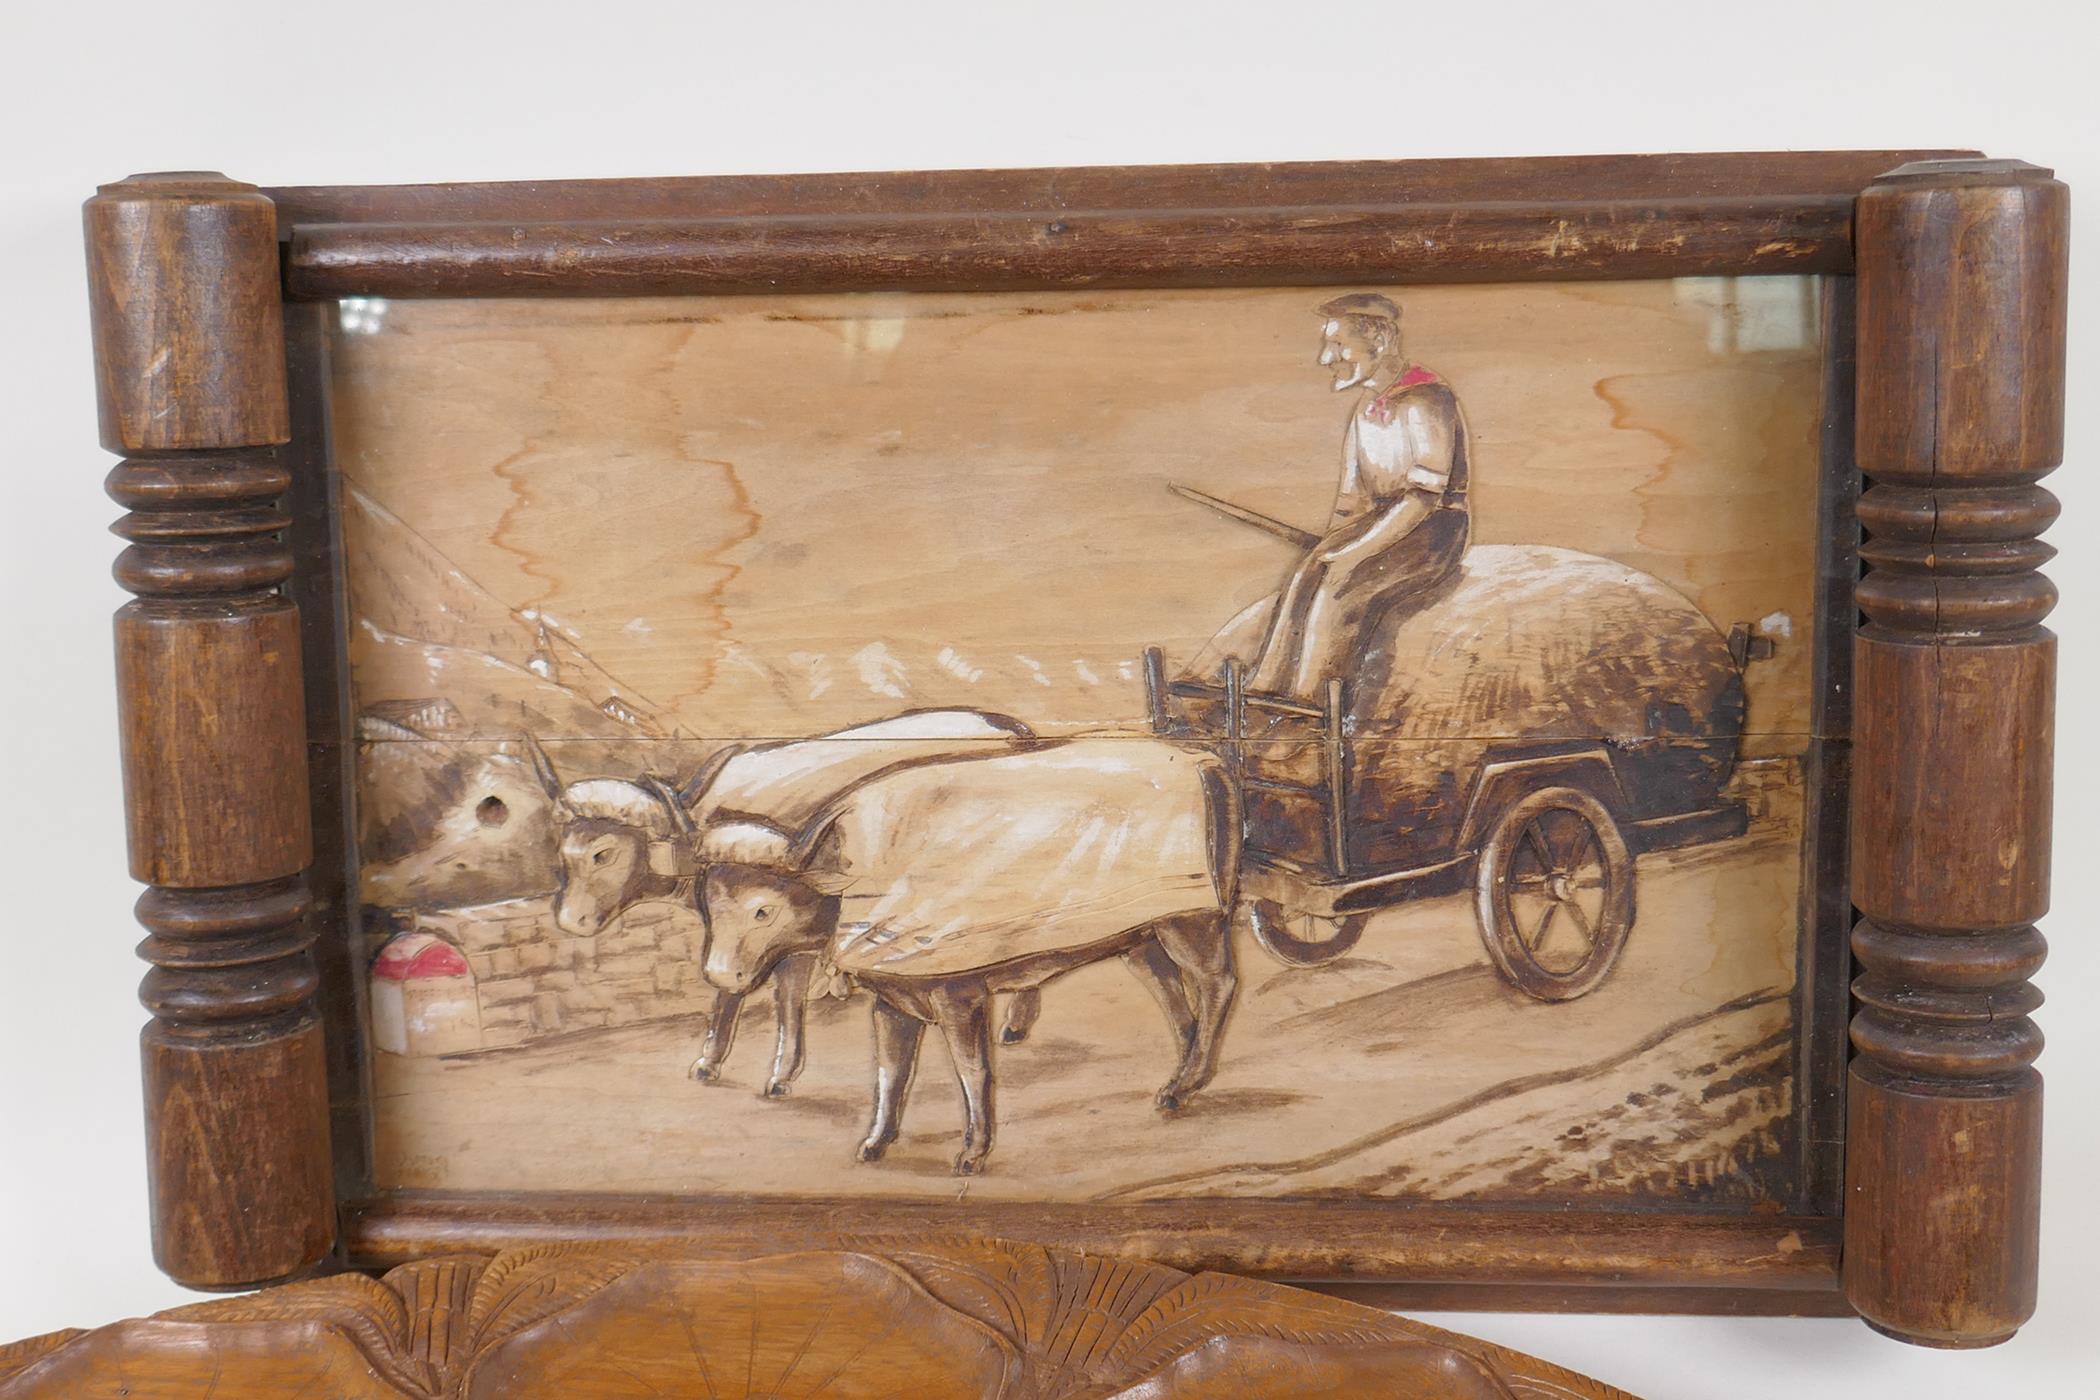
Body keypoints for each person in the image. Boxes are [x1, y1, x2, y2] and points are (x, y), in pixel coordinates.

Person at [1248, 293, 1472, 697]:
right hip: (1384, 522)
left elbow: (1423, 498)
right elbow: (1351, 500)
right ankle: (1264, 693)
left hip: (1432, 529)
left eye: (1336, 345)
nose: (1325, 359)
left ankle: (1310, 705)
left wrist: (1354, 551)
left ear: (1379, 343)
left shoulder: (1427, 398)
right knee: (1306, 573)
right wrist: (1331, 543)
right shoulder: (1365, 410)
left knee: (1342, 584)